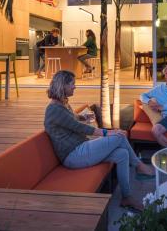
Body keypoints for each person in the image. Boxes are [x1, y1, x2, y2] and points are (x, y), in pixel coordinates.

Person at [44, 70, 154, 211]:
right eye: (72, 84)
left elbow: (71, 120)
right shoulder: (54, 109)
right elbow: (79, 128)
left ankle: (127, 197)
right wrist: (106, 132)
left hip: (81, 147)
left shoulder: (63, 104)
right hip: (73, 155)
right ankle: (139, 165)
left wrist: (82, 117)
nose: (74, 87)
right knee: (119, 136)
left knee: (122, 154)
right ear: (63, 85)